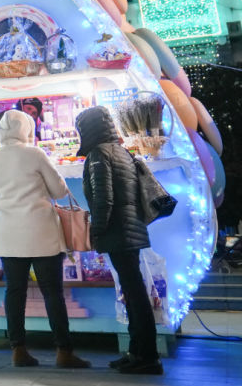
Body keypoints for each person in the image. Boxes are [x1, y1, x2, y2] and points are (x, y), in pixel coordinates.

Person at [0, 110, 89, 369]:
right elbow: (59, 190)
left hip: (7, 232)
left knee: (14, 292)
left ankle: (18, 350)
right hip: (41, 231)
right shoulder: (35, 154)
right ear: (26, 129)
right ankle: (64, 351)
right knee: (52, 292)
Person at [76, 106, 161, 376]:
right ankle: (137, 352)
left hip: (118, 232)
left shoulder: (99, 154)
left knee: (134, 295)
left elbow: (104, 199)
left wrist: (95, 232)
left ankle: (147, 356)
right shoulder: (120, 151)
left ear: (88, 129)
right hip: (130, 229)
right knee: (133, 292)